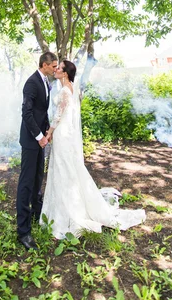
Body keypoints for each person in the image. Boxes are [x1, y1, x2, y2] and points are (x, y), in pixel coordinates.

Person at [41, 60, 146, 239]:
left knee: (63, 169)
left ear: (65, 73)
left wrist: (49, 132)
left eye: (59, 68)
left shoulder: (66, 91)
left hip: (62, 133)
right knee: (66, 169)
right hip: (67, 133)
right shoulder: (72, 88)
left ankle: (68, 212)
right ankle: (66, 205)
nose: (56, 70)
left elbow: (58, 116)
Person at [16, 51, 58, 250]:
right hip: (31, 141)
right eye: (53, 66)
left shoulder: (46, 82)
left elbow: (42, 113)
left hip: (40, 139)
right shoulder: (31, 83)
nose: (55, 69)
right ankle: (23, 232)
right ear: (44, 65)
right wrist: (39, 137)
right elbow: (27, 113)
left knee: (37, 178)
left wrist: (47, 131)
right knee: (26, 183)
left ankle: (36, 214)